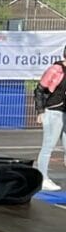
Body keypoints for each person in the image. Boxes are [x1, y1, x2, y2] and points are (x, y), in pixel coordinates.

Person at [34, 49, 66, 191]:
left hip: (64, 113)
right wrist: (40, 111)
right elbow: (39, 90)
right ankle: (42, 178)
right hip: (53, 112)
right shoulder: (56, 70)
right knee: (48, 146)